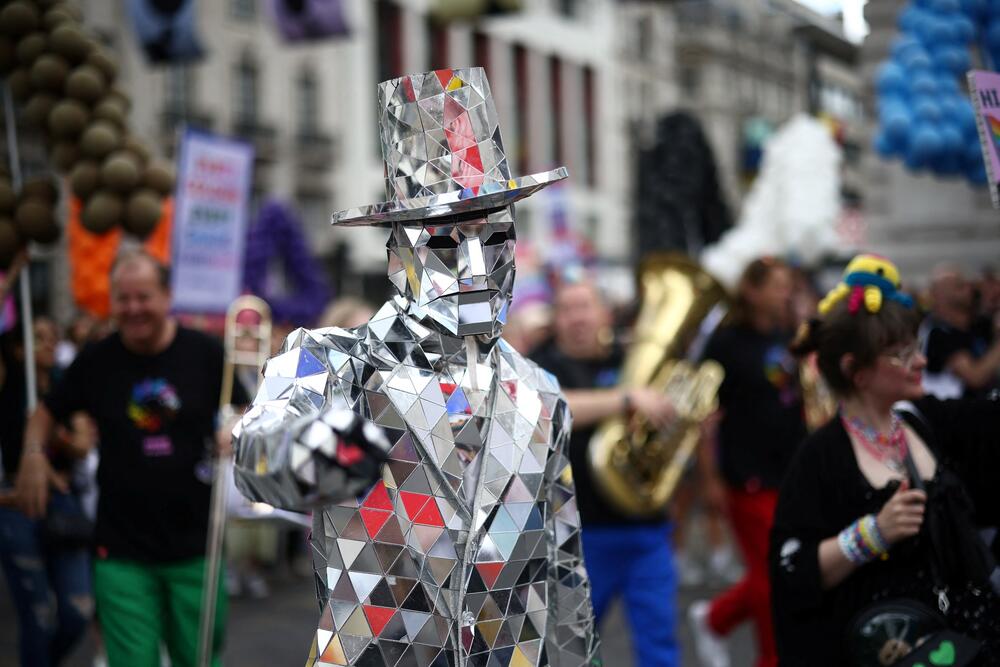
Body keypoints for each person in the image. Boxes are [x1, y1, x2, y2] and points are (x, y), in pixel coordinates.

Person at [232, 67, 600, 666]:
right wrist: (307, 447)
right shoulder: (333, 363)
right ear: (399, 255)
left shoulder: (541, 394)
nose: (479, 269)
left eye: (497, 238)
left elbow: (564, 577)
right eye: (450, 243)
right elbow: (254, 454)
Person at [13, 250, 248, 667]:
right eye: (123, 298)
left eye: (144, 297)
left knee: (198, 660)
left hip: (197, 547)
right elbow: (44, 415)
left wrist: (234, 428)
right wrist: (33, 454)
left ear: (166, 296)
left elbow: (248, 410)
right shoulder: (96, 360)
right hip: (120, 551)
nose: (134, 308)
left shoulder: (206, 353)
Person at [770, 254, 1000, 666]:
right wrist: (873, 534)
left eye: (915, 347)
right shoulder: (821, 456)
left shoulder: (924, 422)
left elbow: (988, 423)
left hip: (961, 647)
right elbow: (792, 570)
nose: (921, 362)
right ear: (855, 371)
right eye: (901, 354)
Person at [530, 277, 681, 666]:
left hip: (645, 530)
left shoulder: (631, 362)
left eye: (586, 306)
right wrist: (628, 400)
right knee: (574, 650)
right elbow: (554, 408)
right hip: (576, 537)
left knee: (660, 644)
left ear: (604, 313)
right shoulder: (540, 364)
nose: (577, 317)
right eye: (567, 309)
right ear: (556, 319)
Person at [688, 257, 805, 667]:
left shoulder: (786, 334)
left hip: (789, 472)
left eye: (788, 285)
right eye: (777, 285)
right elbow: (703, 418)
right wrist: (710, 478)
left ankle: (716, 617)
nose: (785, 293)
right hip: (747, 474)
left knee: (781, 570)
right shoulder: (725, 343)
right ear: (752, 291)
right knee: (771, 575)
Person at [0, 317, 95, 666]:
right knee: (37, 616)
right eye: (39, 338)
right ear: (18, 348)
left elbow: (83, 444)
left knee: (77, 611)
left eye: (54, 336)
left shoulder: (65, 385)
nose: (51, 343)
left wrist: (50, 436)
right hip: (16, 502)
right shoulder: (9, 379)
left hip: (63, 504)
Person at [920, 265, 1000, 399]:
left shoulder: (978, 324)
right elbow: (975, 377)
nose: (969, 289)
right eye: (960, 286)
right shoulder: (938, 332)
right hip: (956, 411)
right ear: (940, 295)